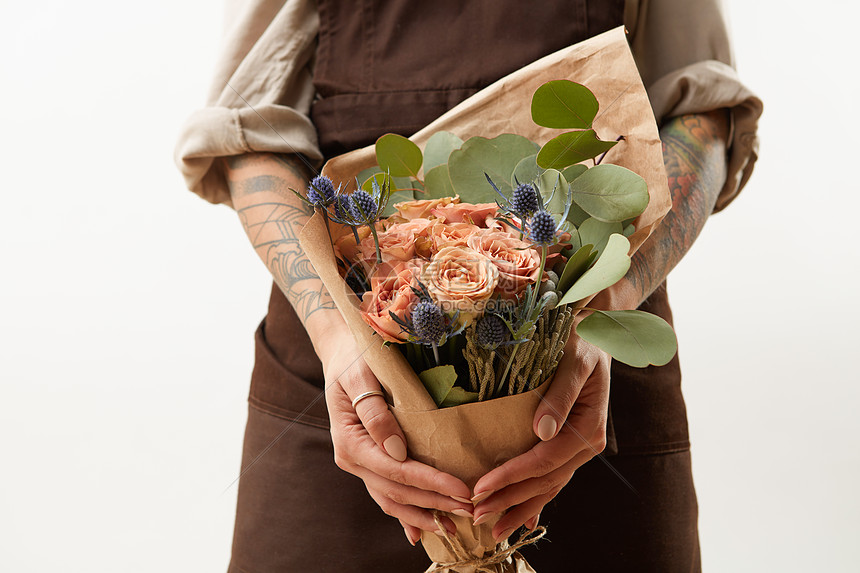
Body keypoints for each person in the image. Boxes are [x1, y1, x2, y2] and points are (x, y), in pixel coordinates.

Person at [175, 1, 762, 570]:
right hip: (339, 377)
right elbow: (247, 132)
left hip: (588, 390)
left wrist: (593, 316)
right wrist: (339, 338)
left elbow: (704, 115)